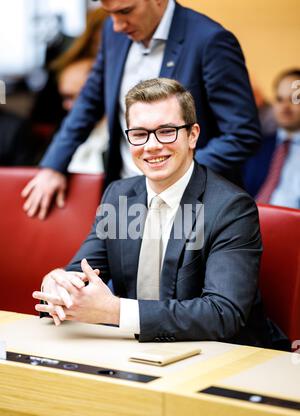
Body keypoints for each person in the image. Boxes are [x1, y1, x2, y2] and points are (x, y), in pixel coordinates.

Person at [32, 78, 278, 348]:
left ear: (193, 135)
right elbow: (79, 272)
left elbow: (223, 314)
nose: (151, 146)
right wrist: (56, 283)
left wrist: (115, 311)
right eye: (139, 134)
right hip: (136, 352)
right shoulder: (119, 196)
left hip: (225, 357)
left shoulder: (231, 208)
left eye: (166, 131)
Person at [22, 0, 261, 220]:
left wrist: (172, 178)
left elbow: (242, 134)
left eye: (126, 11)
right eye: (110, 13)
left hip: (193, 206)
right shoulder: (112, 33)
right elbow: (88, 103)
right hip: (128, 201)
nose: (117, 25)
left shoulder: (210, 40)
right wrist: (53, 165)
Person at [244, 69, 300, 209]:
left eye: (294, 99)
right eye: (280, 99)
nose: (285, 107)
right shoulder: (257, 145)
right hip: (250, 224)